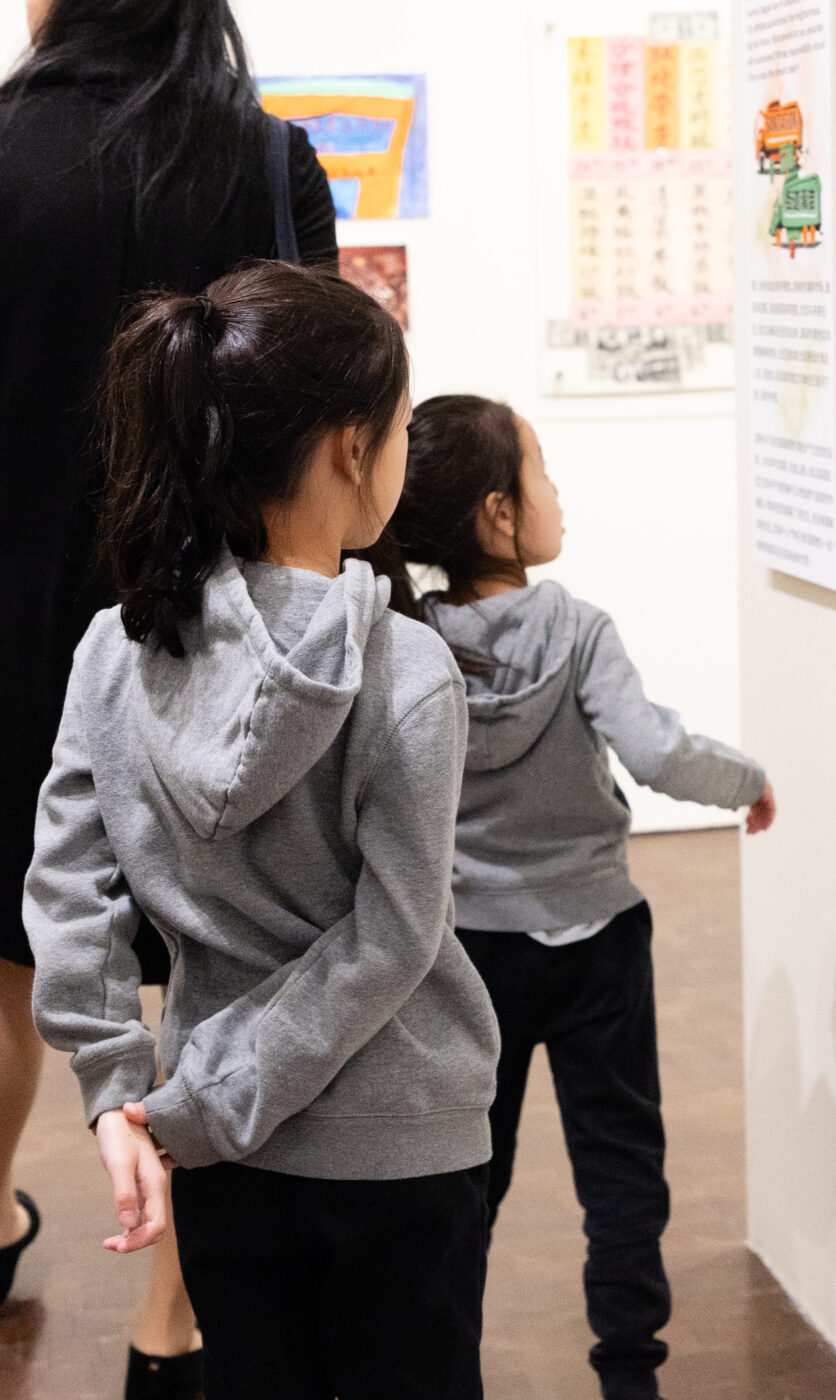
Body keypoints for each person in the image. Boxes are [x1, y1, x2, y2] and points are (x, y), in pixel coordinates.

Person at [24, 261, 500, 1400]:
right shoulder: (405, 668)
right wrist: (199, 1105)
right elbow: (395, 935)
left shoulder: (117, 649)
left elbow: (69, 888)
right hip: (401, 1141)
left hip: (220, 1150)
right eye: (399, 430)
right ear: (351, 449)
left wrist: (127, 1093)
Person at [0, 0, 336, 1388]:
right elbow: (321, 426)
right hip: (208, 639)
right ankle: (171, 1321)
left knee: (5, 956)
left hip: (12, 634)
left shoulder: (4, 151)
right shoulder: (264, 161)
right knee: (220, 965)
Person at [391, 395, 777, 1400]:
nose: (556, 492)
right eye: (541, 471)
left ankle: (447, 1372)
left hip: (471, 952)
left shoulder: (413, 642)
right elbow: (655, 751)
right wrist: (747, 780)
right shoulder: (577, 628)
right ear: (498, 513)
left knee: (471, 1173)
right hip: (596, 941)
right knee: (620, 1168)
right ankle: (629, 1377)